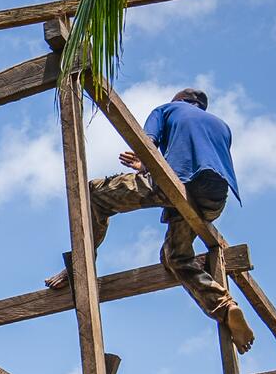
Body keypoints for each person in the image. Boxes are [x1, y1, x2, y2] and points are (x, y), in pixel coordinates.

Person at [46, 88, 255, 353]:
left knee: (92, 193)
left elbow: (147, 145)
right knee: (175, 257)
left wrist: (144, 162)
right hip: (213, 199)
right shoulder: (221, 126)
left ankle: (81, 263)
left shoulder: (167, 109)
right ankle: (226, 307)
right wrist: (146, 167)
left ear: (179, 100)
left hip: (179, 184)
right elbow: (197, 159)